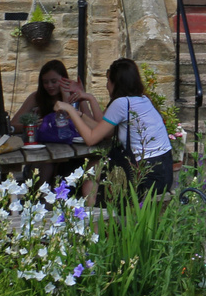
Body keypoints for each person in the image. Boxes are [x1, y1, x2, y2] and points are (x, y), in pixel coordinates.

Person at [53, 57, 174, 200]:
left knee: (90, 176)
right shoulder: (142, 99)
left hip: (145, 178)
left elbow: (92, 139)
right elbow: (106, 131)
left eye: (108, 80)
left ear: (116, 83)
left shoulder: (121, 103)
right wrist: (81, 111)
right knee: (96, 164)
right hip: (163, 172)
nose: (106, 85)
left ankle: (95, 218)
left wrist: (69, 109)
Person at [13, 59, 102, 183]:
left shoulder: (75, 96)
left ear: (64, 80)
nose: (49, 86)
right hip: (42, 158)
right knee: (48, 167)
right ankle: (41, 199)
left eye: (54, 81)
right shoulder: (36, 97)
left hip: (73, 156)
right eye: (45, 82)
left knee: (66, 170)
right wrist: (31, 125)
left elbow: (91, 125)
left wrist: (69, 96)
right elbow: (12, 125)